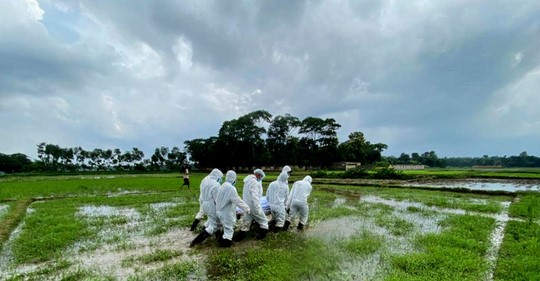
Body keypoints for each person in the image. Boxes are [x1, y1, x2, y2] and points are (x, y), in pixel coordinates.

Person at [215, 170, 250, 247]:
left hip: (220, 211)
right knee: (229, 231)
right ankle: (226, 246)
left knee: (225, 228)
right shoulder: (231, 188)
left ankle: (222, 241)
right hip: (226, 213)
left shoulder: (222, 186)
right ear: (233, 178)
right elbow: (237, 200)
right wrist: (247, 208)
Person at [189, 168, 224, 247]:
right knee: (214, 225)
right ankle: (195, 242)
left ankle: (218, 238)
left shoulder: (205, 181)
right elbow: (217, 199)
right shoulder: (216, 185)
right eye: (220, 177)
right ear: (217, 176)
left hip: (204, 203)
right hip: (211, 204)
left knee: (213, 221)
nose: (221, 179)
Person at [236, 169, 269, 241]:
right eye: (260, 177)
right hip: (253, 206)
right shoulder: (255, 183)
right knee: (264, 221)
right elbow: (255, 197)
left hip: (247, 206)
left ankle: (239, 238)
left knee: (246, 222)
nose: (260, 179)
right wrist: (257, 208)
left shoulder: (247, 181)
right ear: (258, 175)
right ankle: (261, 237)